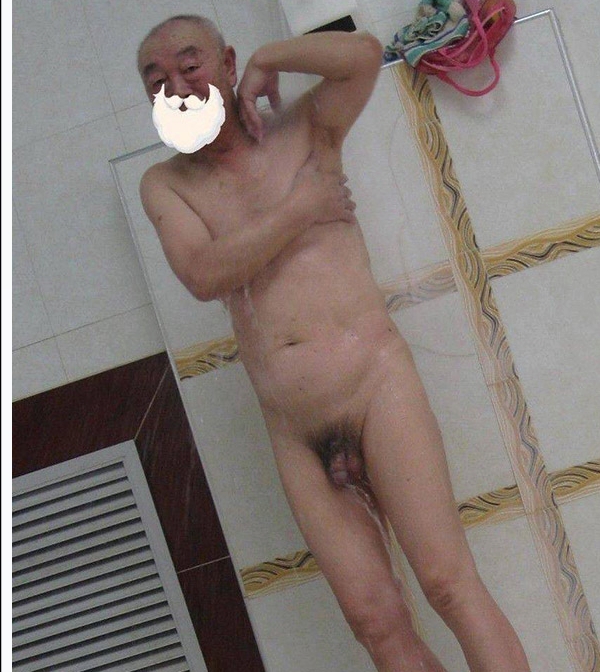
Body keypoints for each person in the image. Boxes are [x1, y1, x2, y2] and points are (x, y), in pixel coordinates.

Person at [138, 15, 531, 672]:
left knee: (446, 583)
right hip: (294, 425)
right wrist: (301, 208)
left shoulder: (306, 129)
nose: (176, 87)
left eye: (189, 65)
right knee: (374, 620)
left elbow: (362, 55)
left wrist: (272, 56)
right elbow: (203, 274)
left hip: (376, 386)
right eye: (157, 81)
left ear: (227, 63)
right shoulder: (166, 183)